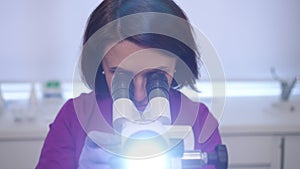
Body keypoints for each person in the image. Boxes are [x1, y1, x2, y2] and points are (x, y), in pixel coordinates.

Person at [36, 0, 222, 169]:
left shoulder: (199, 122)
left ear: (177, 64)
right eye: (120, 76)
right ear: (100, 65)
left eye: (155, 75)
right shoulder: (74, 117)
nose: (140, 95)